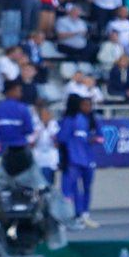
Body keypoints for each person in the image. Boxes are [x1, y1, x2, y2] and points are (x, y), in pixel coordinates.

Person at [54, 93, 102, 226]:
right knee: (74, 189)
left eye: (89, 105)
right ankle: (77, 215)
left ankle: (81, 215)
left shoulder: (87, 119)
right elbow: (63, 138)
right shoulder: (72, 120)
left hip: (82, 159)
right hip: (76, 159)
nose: (87, 107)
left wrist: (93, 139)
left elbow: (100, 137)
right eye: (84, 105)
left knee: (79, 188)